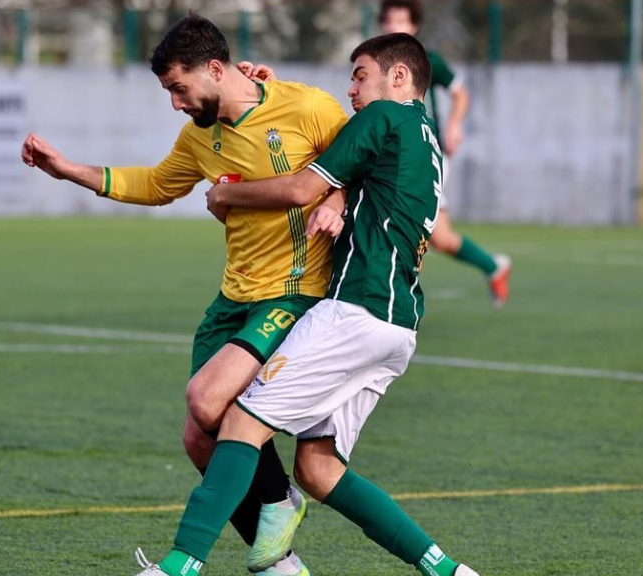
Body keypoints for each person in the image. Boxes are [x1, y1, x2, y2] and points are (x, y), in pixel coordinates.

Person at [128, 33, 481, 576]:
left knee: (240, 424)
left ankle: (180, 565)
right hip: (400, 326)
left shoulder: (381, 118)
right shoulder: (426, 136)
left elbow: (298, 186)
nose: (352, 89)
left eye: (360, 75)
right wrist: (261, 92)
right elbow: (342, 172)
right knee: (319, 471)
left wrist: (223, 194)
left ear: (399, 78)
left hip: (354, 311)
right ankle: (445, 568)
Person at [21, 13, 350, 576]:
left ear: (216, 69)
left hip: (292, 294)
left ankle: (273, 504)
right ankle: (281, 566)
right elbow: (155, 184)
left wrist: (336, 199)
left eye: (178, 88)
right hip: (232, 298)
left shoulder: (307, 107)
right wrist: (68, 169)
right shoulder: (200, 135)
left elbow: (357, 157)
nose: (174, 102)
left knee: (206, 399)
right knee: (200, 439)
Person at [379, 0, 511, 308]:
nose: (393, 26)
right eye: (388, 20)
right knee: (440, 238)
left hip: (426, 154)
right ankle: (494, 267)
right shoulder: (374, 62)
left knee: (402, 219)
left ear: (413, 26)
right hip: (391, 154)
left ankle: (393, 296)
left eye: (401, 20)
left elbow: (460, 92)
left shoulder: (427, 60)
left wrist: (453, 125)